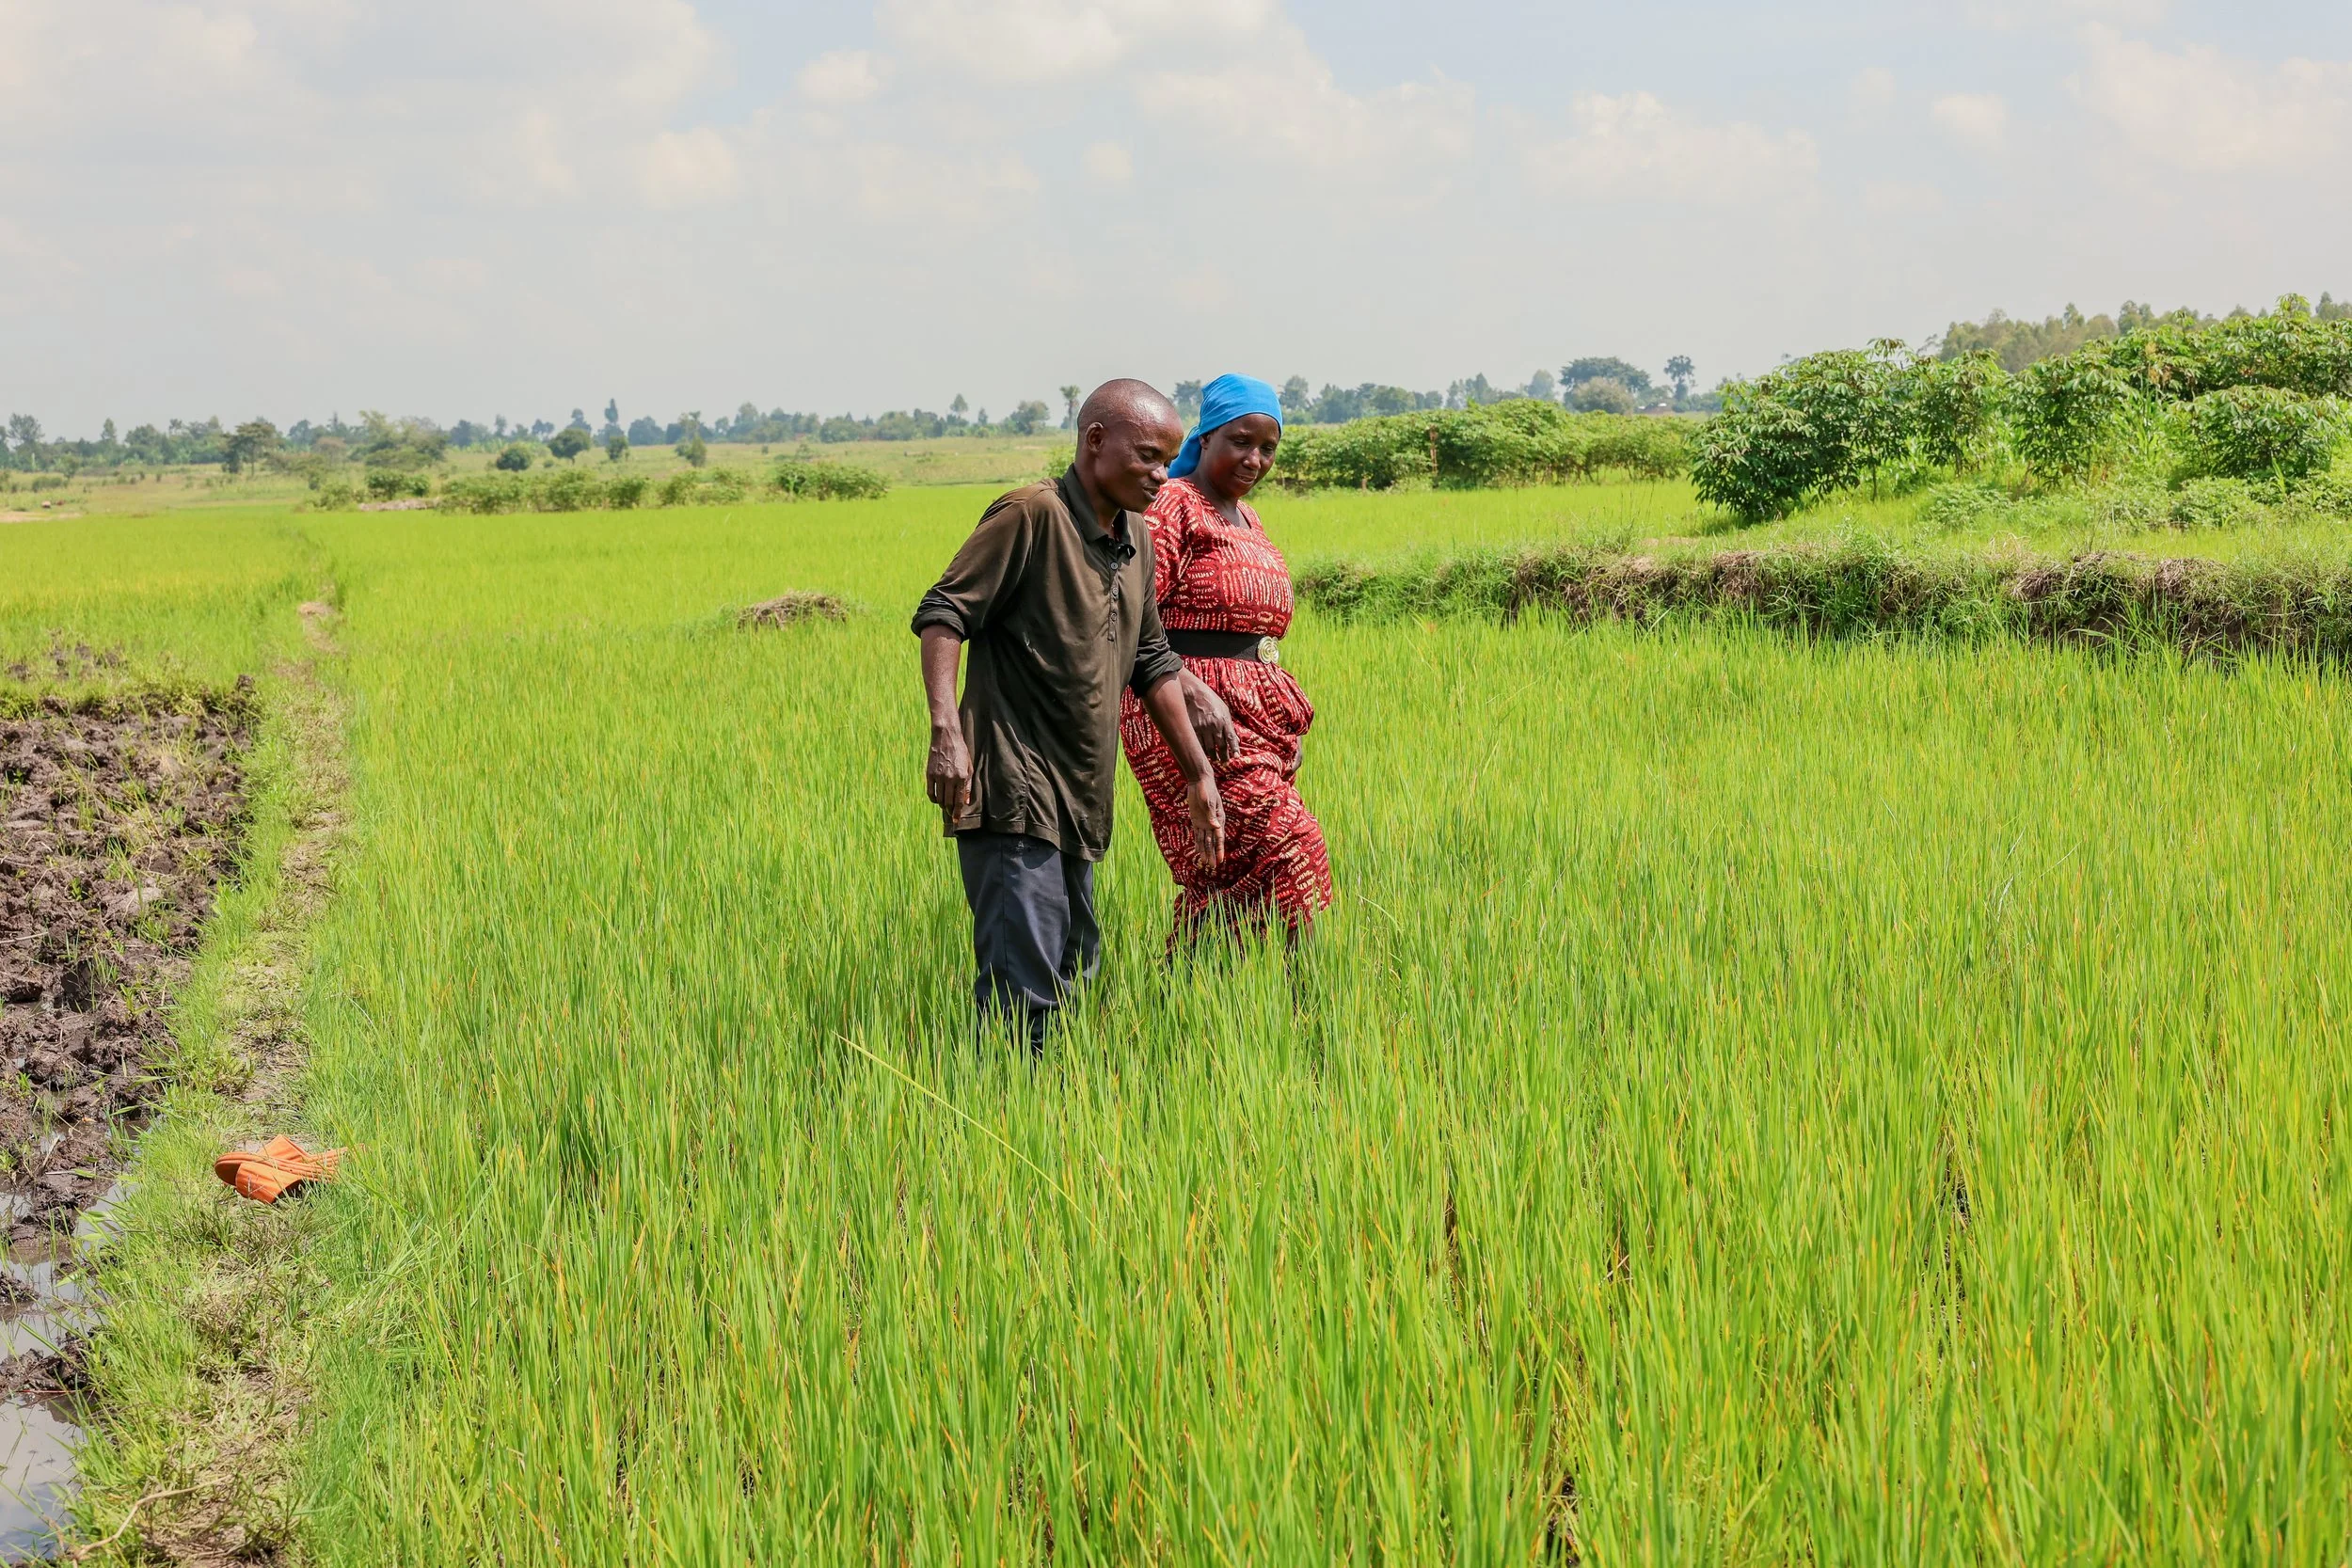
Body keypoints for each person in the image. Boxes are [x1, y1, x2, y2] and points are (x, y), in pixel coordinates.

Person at [912, 380, 1226, 1050]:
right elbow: (943, 614)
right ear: (1094, 441)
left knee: (1074, 974)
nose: (1161, 475)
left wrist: (1199, 774)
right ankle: (1000, 1122)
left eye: (1169, 459)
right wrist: (947, 732)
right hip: (1014, 793)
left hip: (1082, 798)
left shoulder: (1135, 537)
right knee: (1023, 996)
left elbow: (1153, 661)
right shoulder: (1031, 515)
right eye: (1146, 455)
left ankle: (1048, 1118)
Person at [1120, 373, 1332, 942]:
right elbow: (1131, 615)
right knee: (1293, 849)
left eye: (1268, 448)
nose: (1254, 459)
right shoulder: (1173, 506)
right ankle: (1306, 1004)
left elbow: (1254, 639)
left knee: (1227, 881)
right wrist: (1190, 688)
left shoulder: (1249, 519)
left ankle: (1182, 1009)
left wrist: (1280, 712)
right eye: (1241, 441)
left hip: (1255, 715)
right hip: (1184, 712)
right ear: (1206, 437)